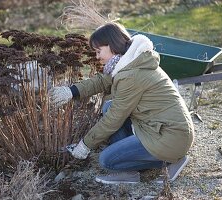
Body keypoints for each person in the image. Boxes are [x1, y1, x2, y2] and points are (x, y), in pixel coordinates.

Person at [48, 22, 194, 184]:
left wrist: (85, 144)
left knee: (107, 160)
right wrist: (72, 91)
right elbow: (103, 81)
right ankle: (132, 160)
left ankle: (170, 161)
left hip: (170, 137)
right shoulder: (130, 61)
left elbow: (114, 119)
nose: (97, 57)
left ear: (112, 46)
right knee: (109, 106)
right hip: (163, 129)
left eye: (98, 51)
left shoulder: (131, 74)